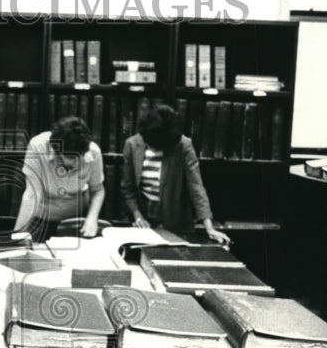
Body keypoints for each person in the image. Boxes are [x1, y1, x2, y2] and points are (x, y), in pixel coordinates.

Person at [120, 104, 231, 245]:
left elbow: (196, 187)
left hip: (177, 220)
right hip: (144, 219)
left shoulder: (183, 145)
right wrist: (137, 216)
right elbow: (127, 188)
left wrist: (209, 228)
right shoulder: (131, 144)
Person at [12, 115, 106, 243]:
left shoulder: (94, 152)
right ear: (57, 152)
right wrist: (18, 233)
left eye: (79, 156)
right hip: (41, 217)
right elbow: (32, 195)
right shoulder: (38, 146)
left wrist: (92, 218)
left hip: (75, 219)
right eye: (71, 158)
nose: (76, 163)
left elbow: (98, 190)